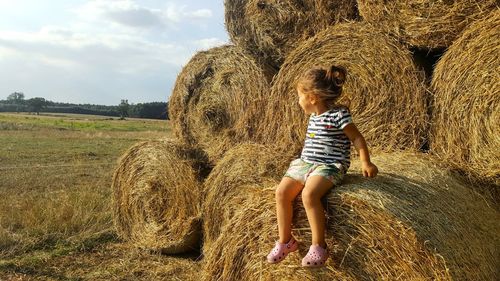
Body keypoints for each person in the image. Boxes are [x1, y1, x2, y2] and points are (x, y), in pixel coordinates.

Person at [266, 65, 378, 267]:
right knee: (281, 192)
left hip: (330, 165)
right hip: (306, 163)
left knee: (309, 195)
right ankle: (286, 241)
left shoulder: (339, 114)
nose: (297, 101)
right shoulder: (312, 116)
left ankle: (319, 246)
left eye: (300, 96)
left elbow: (357, 138)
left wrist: (365, 161)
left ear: (312, 97)